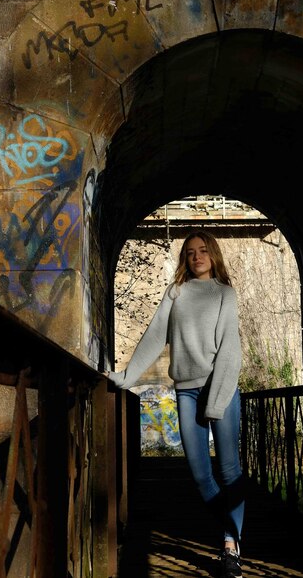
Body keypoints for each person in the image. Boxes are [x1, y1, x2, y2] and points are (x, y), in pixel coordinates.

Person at [110, 230, 245, 578]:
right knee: (201, 475)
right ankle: (233, 527)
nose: (197, 256)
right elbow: (155, 335)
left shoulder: (224, 294)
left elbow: (230, 349)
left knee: (229, 471)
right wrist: (128, 376)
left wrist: (215, 402)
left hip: (223, 388)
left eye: (203, 250)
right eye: (190, 253)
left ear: (213, 255)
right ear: (185, 260)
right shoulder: (177, 293)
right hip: (185, 391)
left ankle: (230, 545)